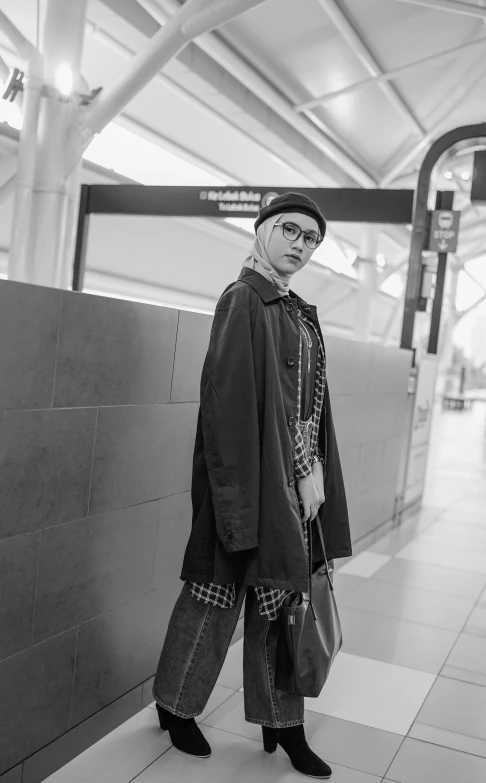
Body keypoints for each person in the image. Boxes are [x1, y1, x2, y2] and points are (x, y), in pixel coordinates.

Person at [152, 192, 351, 779]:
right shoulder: (244, 300)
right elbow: (228, 409)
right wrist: (238, 511)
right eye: (290, 230)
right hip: (245, 488)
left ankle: (282, 725)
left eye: (311, 238)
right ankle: (176, 706)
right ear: (262, 230)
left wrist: (312, 476)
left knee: (282, 601)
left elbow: (309, 411)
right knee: (215, 598)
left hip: (294, 490)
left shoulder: (295, 310)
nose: (300, 245)